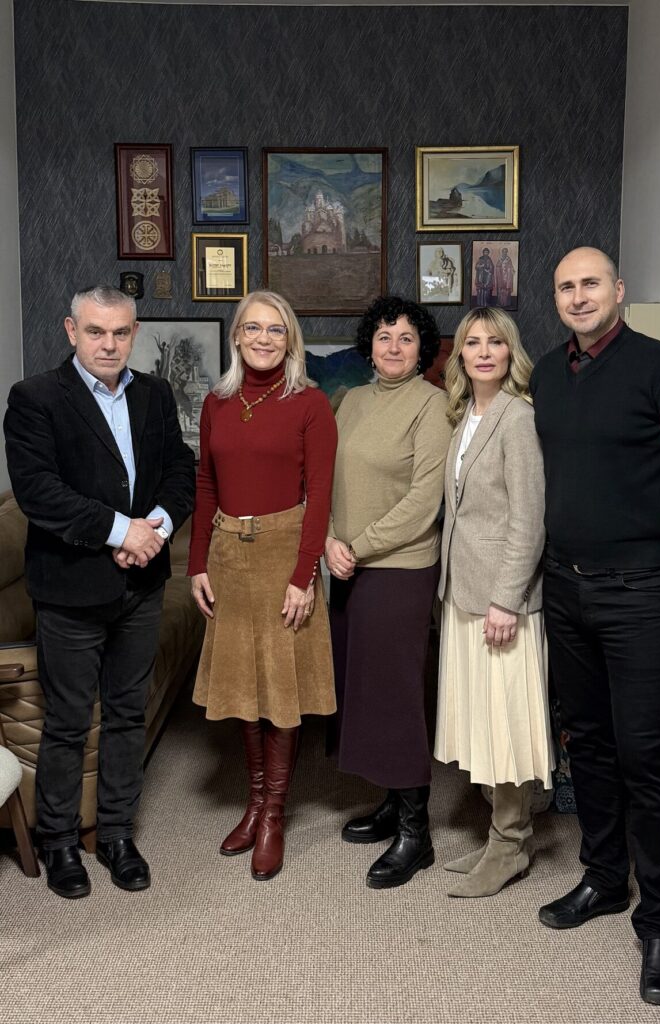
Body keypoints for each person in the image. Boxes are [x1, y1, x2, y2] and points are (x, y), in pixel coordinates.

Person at [529, 247, 660, 1006]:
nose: (578, 296)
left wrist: (649, 537)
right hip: (564, 586)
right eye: (565, 287)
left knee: (644, 753)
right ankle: (605, 877)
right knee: (586, 740)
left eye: (590, 283)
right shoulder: (548, 376)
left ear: (617, 290)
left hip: (637, 592)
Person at [3, 285, 195, 899]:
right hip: (70, 590)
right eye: (95, 331)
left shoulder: (154, 393)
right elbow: (39, 492)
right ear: (71, 331)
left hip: (142, 584)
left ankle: (115, 834)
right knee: (67, 721)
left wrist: (153, 530)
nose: (108, 344)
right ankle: (60, 841)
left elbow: (180, 471)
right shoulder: (35, 398)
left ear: (134, 334)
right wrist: (121, 531)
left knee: (127, 714)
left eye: (119, 332)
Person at [188, 290, 337, 881]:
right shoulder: (217, 402)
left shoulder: (310, 404)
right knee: (243, 684)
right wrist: (197, 563)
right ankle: (253, 803)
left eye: (276, 329)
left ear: (290, 339)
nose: (264, 338)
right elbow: (205, 484)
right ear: (236, 336)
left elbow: (320, 496)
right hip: (227, 554)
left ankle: (274, 813)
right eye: (253, 328)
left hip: (284, 554)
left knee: (280, 688)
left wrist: (305, 575)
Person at [325, 295, 451, 889]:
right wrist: (329, 538)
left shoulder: (432, 405)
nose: (394, 347)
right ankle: (391, 800)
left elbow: (425, 500)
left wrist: (358, 544)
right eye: (383, 336)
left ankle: (415, 831)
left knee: (396, 694)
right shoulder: (352, 400)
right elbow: (325, 478)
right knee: (362, 689)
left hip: (398, 568)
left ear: (422, 348)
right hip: (346, 563)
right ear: (368, 346)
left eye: (406, 337)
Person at [434, 307, 553, 898]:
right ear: (460, 353)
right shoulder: (465, 417)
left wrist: (507, 599)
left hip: (502, 601)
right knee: (482, 718)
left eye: (495, 342)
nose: (484, 352)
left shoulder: (518, 418)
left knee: (506, 723)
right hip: (464, 593)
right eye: (473, 342)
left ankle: (510, 845)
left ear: (511, 353)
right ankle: (500, 839)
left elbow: (529, 519)